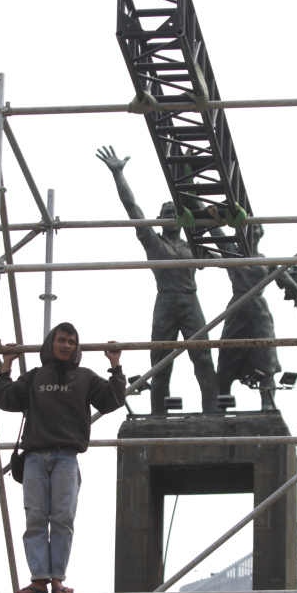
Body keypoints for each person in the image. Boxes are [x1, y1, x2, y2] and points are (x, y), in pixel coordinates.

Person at [0, 322, 125, 593]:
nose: (67, 345)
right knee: (36, 518)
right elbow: (6, 399)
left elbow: (112, 400)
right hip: (34, 458)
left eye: (72, 342)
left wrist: (115, 366)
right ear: (51, 343)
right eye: (62, 340)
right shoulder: (35, 377)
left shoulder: (85, 377)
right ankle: (39, 579)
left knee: (63, 519)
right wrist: (6, 365)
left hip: (66, 456)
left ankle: (57, 579)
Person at [95, 145, 219, 414]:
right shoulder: (153, 242)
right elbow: (132, 208)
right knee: (161, 364)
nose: (170, 218)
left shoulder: (192, 246)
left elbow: (214, 231)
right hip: (165, 302)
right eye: (165, 214)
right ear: (159, 220)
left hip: (190, 301)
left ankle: (213, 414)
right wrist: (118, 174)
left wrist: (190, 176)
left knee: (204, 360)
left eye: (175, 214)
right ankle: (158, 416)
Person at [217, 224, 297, 410]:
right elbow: (218, 235)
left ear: (261, 233)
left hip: (259, 313)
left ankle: (267, 403)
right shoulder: (232, 254)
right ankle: (221, 404)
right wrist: (211, 219)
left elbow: (290, 284)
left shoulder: (267, 262)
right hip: (237, 311)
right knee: (226, 361)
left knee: (265, 359)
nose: (252, 231)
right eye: (249, 227)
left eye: (256, 227)